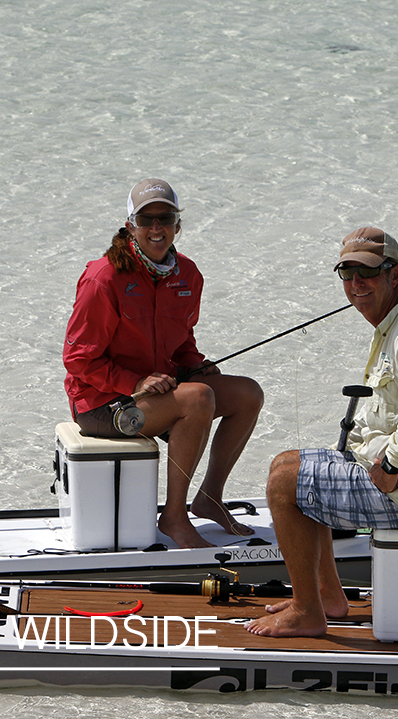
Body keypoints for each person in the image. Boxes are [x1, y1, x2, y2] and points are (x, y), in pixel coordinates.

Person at [246, 227, 398, 637]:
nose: (356, 284)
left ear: (395, 275)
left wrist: (390, 463)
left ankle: (307, 612)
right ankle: (326, 594)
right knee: (287, 463)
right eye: (347, 273)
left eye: (368, 272)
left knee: (285, 485)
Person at [63, 179, 265, 549]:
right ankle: (174, 517)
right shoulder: (102, 278)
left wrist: (195, 363)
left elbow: (183, 340)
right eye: (146, 219)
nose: (156, 228)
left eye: (165, 218)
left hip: (159, 391)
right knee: (198, 398)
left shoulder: (188, 274)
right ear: (130, 226)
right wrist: (135, 382)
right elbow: (77, 360)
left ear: (177, 224)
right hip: (101, 404)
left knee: (247, 393)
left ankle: (210, 498)